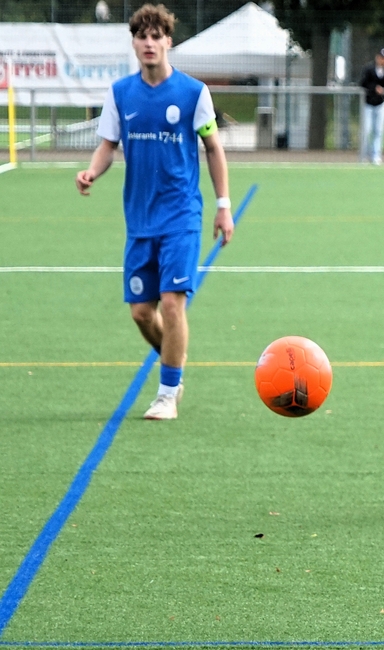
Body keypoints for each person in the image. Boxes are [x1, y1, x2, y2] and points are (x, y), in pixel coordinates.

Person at [75, 3, 234, 421]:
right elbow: (108, 145)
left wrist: (223, 206)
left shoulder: (193, 93)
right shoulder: (120, 94)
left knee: (171, 304)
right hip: (139, 219)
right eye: (141, 36)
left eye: (156, 36)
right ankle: (175, 362)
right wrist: (92, 171)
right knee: (141, 313)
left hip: (181, 215)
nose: (149, 43)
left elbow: (213, 148)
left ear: (168, 42)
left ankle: (167, 393)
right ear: (134, 43)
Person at [359, 49, 384, 165]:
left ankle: (376, 155)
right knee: (366, 130)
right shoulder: (369, 69)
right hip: (368, 104)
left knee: (378, 131)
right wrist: (375, 88)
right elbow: (363, 83)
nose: (383, 60)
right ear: (377, 57)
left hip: (381, 104)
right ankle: (365, 155)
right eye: (381, 57)